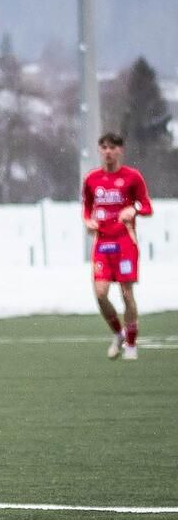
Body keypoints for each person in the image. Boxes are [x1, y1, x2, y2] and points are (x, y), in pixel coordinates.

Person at [82, 131, 153, 360]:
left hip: (124, 243)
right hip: (102, 244)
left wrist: (135, 209)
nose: (108, 152)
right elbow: (87, 207)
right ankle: (118, 333)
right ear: (99, 151)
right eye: (104, 147)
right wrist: (88, 221)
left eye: (113, 147)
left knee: (126, 293)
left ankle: (131, 344)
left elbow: (147, 206)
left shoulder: (132, 177)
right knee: (100, 294)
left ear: (120, 150)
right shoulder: (92, 179)